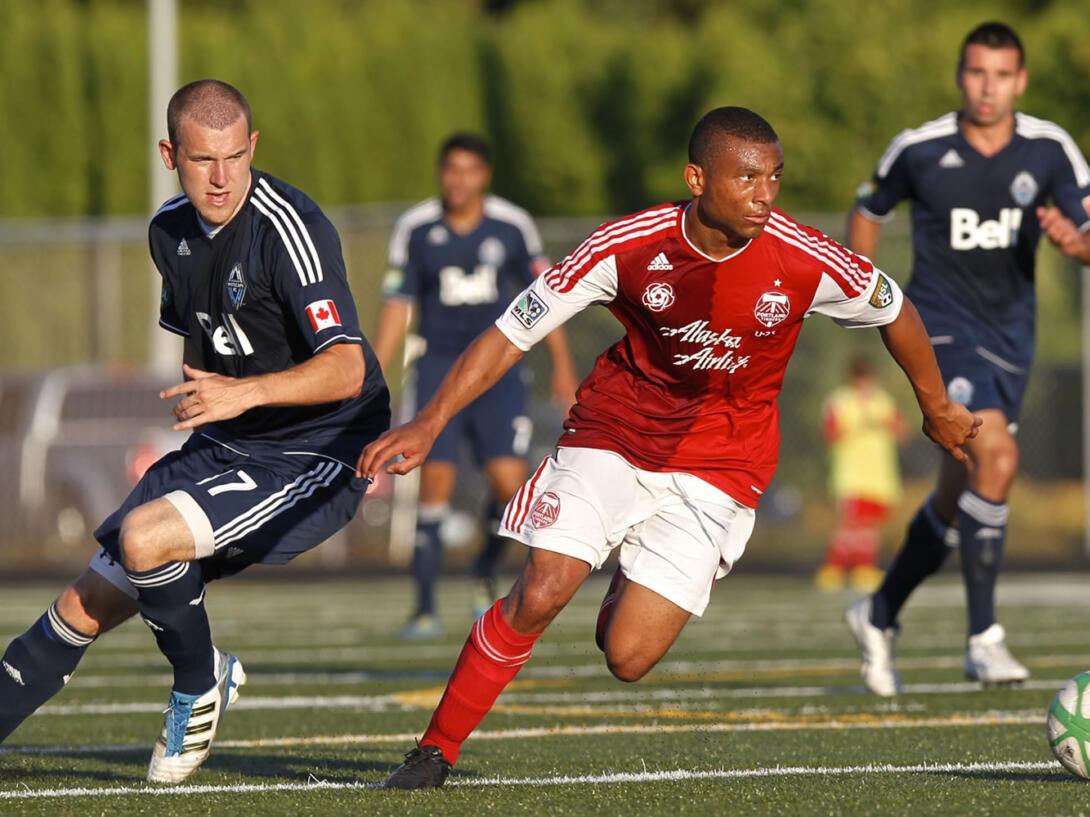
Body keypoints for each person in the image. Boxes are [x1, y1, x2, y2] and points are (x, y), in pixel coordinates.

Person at [358, 105, 980, 789]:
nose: (765, 194)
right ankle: (434, 750)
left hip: (723, 465)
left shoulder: (803, 256)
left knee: (627, 656)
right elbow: (514, 329)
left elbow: (894, 308)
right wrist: (430, 420)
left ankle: (626, 575)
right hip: (615, 433)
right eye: (747, 177)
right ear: (696, 178)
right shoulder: (625, 245)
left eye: (774, 177)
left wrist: (937, 405)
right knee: (542, 588)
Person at [0, 79, 390, 783]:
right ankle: (199, 667)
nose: (221, 177)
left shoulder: (290, 230)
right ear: (169, 153)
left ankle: (197, 683)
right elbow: (201, 341)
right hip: (233, 440)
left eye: (235, 157)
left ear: (253, 147)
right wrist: (211, 402)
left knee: (146, 538)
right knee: (82, 602)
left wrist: (243, 394)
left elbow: (348, 369)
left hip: (315, 448)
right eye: (203, 159)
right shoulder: (167, 233)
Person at [844, 21, 1090, 696]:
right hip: (937, 327)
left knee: (957, 493)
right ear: (960, 76)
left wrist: (1079, 245)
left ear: (1020, 81)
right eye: (976, 72)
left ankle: (878, 612)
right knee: (995, 457)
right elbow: (869, 207)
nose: (987, 87)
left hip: (1013, 337)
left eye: (1001, 74)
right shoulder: (921, 148)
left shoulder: (1049, 149)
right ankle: (983, 638)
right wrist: (861, 285)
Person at [372, 133, 578, 638]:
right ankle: (423, 608)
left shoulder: (511, 226)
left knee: (510, 484)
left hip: (497, 370)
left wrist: (564, 368)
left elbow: (544, 296)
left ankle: (485, 568)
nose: (458, 180)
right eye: (450, 170)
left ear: (484, 175)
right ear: (441, 174)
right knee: (433, 486)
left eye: (469, 170)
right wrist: (375, 371)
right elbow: (399, 305)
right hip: (439, 368)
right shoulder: (417, 229)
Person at [816, 354, 909, 593]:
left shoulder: (883, 401)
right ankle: (835, 569)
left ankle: (863, 569)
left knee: (869, 525)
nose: (863, 384)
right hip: (851, 473)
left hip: (879, 474)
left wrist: (885, 423)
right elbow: (829, 435)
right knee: (850, 524)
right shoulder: (839, 401)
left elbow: (902, 432)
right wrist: (854, 426)